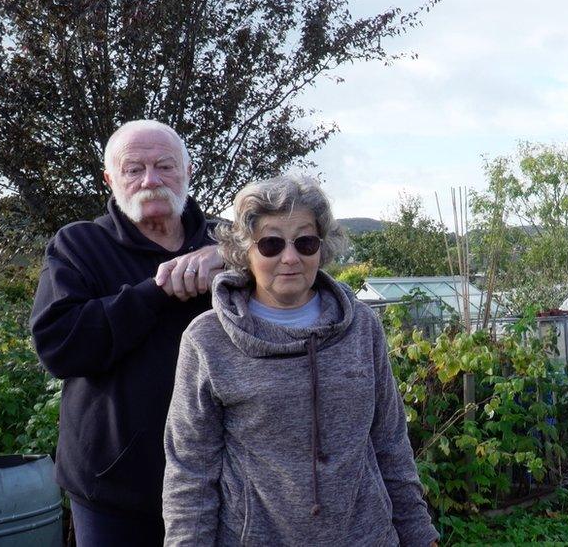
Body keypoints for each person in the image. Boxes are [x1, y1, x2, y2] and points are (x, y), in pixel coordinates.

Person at [162, 176, 439, 546]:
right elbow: (191, 471)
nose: (290, 258)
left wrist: (420, 535)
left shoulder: (361, 327)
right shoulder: (208, 339)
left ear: (321, 249)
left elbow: (390, 442)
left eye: (305, 242)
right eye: (271, 244)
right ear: (246, 251)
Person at [30, 120, 224, 546]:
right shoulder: (79, 245)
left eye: (165, 166)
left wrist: (230, 258)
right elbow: (60, 346)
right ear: (109, 179)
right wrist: (157, 291)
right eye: (133, 168)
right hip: (115, 489)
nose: (150, 180)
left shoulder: (228, 241)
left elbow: (295, 277)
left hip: (220, 480)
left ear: (188, 171)